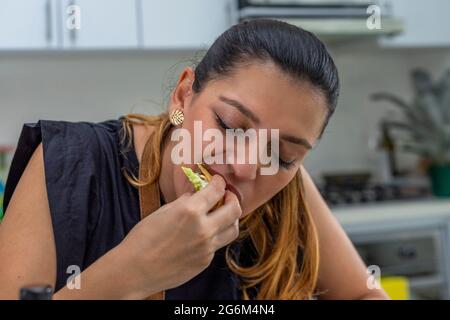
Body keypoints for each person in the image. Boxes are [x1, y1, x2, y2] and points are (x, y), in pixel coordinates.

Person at [0, 19, 388, 300]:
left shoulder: (290, 189)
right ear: (184, 95)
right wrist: (133, 272)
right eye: (231, 126)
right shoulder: (72, 160)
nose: (247, 167)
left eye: (283, 155)